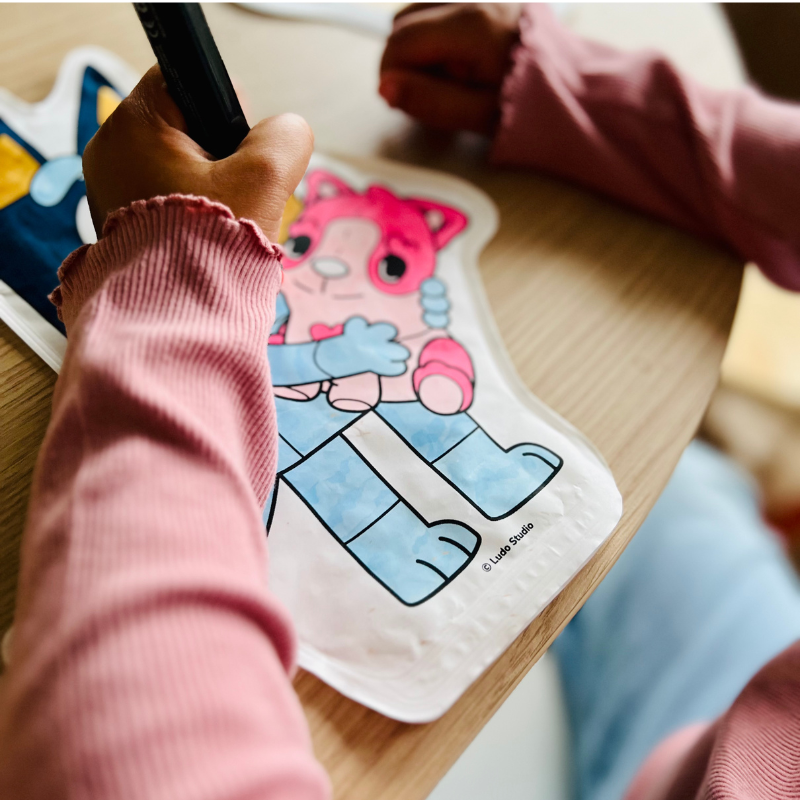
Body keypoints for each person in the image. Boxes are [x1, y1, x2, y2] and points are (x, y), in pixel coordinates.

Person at [0, 4, 798, 800]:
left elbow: (124, 763)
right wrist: (572, 92)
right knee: (688, 487)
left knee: (415, 464)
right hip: (746, 713)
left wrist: (172, 278)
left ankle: (433, 529)